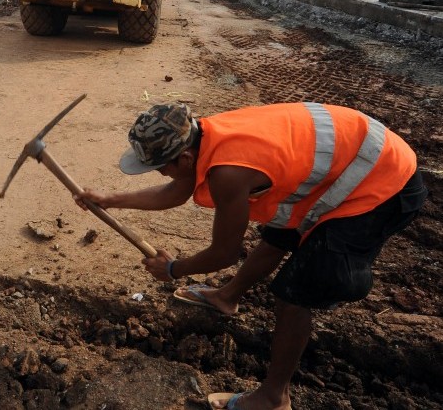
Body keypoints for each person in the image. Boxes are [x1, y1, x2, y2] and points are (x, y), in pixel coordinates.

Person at [75, 102, 426, 410]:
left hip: (384, 183)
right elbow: (178, 189)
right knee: (280, 232)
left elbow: (225, 252)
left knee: (293, 293)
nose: (161, 173)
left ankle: (274, 399)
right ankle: (227, 297)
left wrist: (173, 268)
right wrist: (110, 199)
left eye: (160, 166)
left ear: (183, 157)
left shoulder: (229, 172)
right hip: (350, 162)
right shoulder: (202, 136)